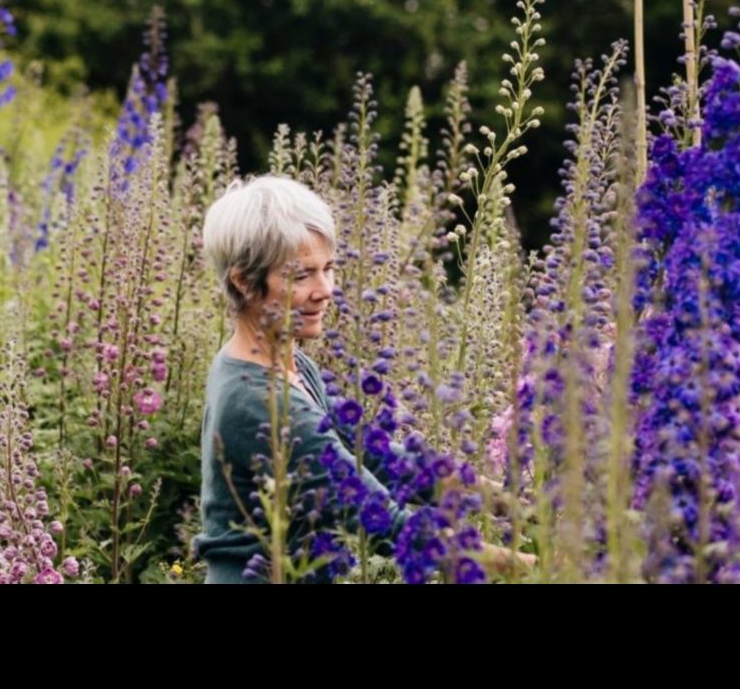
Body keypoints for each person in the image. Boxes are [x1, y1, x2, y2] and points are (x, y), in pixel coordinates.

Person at [191, 175, 528, 583]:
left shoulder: (289, 366)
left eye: (328, 269)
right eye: (301, 276)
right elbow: (386, 522)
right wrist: (540, 569)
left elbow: (380, 458)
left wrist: (509, 501)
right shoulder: (256, 398)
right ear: (243, 281)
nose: (325, 289)